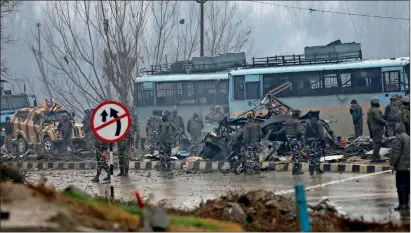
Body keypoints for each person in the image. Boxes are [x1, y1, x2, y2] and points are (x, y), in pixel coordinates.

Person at [390, 123, 410, 211]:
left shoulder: (398, 138)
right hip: (408, 167)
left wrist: (392, 163)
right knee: (407, 186)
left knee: (401, 185)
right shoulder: (408, 137)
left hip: (401, 167)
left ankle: (402, 205)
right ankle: (406, 204)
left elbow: (395, 152)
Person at [304, 110, 325, 175]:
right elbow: (321, 133)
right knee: (317, 156)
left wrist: (305, 142)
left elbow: (305, 133)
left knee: (311, 155)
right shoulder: (319, 122)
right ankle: (317, 169)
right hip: (317, 142)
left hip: (309, 142)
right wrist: (323, 141)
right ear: (317, 115)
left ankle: (311, 170)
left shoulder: (307, 122)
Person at [367, 97, 387, 161]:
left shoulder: (370, 110)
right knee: (378, 143)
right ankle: (375, 157)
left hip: (373, 128)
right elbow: (378, 118)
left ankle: (376, 156)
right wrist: (385, 123)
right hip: (377, 128)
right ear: (376, 102)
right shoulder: (375, 110)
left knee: (376, 142)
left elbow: (368, 121)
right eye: (378, 102)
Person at [285, 109, 304, 175]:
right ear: (297, 114)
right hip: (295, 139)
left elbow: (285, 130)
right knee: (296, 155)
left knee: (293, 154)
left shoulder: (287, 121)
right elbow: (299, 131)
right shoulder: (297, 121)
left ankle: (295, 170)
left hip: (289, 140)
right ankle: (295, 171)